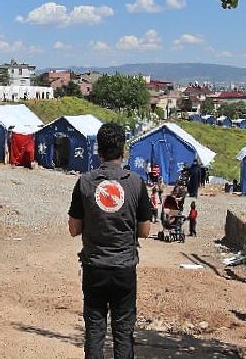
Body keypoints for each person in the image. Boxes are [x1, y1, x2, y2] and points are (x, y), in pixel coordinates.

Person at [68, 123, 152, 359]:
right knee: (123, 332)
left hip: (94, 267)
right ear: (123, 150)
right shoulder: (136, 182)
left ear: (99, 151)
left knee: (95, 331)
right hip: (124, 268)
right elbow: (145, 230)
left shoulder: (84, 182)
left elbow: (74, 229)